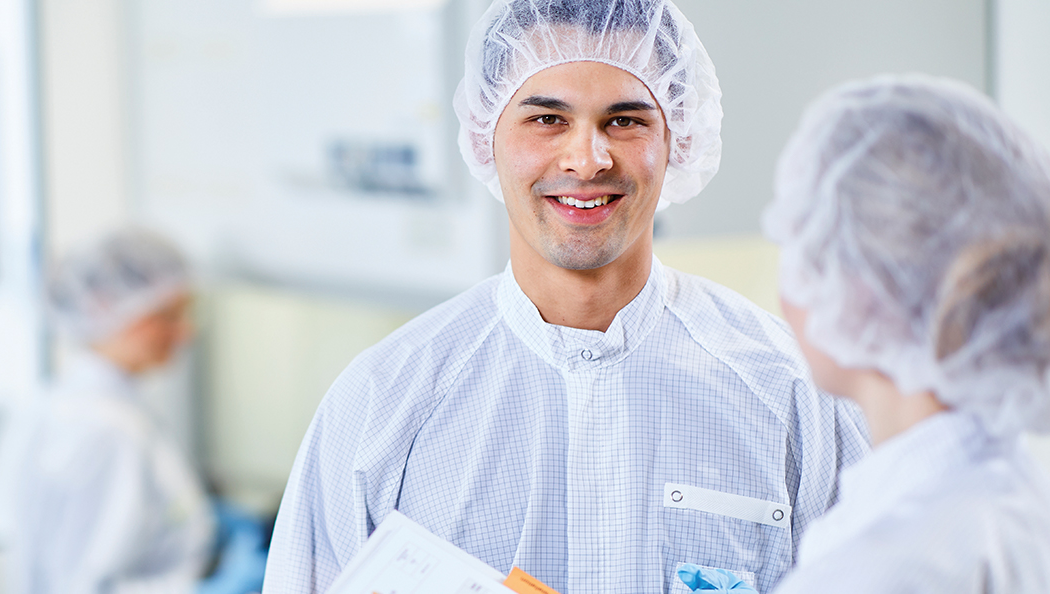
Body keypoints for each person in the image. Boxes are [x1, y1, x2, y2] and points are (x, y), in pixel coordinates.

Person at [262, 1, 868, 592]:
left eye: (625, 120)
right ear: (485, 137)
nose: (587, 159)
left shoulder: (791, 393)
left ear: (677, 139)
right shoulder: (384, 403)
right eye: (547, 119)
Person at [764, 75, 1050, 592]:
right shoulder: (1027, 500)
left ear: (864, 291)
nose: (789, 273)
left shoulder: (873, 569)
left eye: (805, 238)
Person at [10, 228, 216, 594]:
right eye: (168, 316)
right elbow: (89, 585)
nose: (185, 332)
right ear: (107, 307)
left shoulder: (69, 403)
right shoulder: (108, 430)